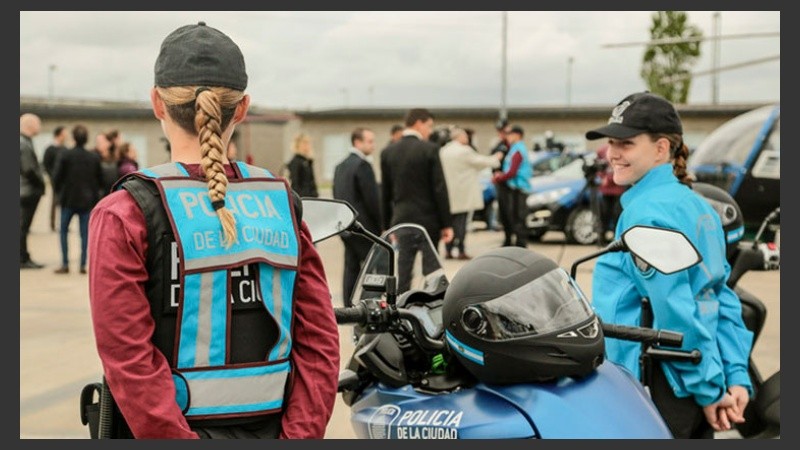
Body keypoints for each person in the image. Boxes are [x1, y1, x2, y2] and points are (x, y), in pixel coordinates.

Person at [87, 21, 339, 439]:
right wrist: (299, 435)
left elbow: (127, 359)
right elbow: (320, 340)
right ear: (241, 109)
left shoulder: (124, 211)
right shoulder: (281, 202)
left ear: (157, 103)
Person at [586, 91, 754, 439]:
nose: (612, 153)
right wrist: (735, 376)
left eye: (626, 143)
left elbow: (673, 312)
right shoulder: (700, 208)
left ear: (661, 148)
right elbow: (720, 298)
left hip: (655, 385)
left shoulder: (646, 214)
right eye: (611, 142)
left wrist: (708, 391)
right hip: (691, 379)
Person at [380, 108, 453, 293]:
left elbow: (385, 193)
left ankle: (401, 311)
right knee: (432, 273)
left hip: (402, 220)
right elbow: (439, 189)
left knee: (403, 271)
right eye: (429, 126)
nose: (430, 130)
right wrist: (447, 224)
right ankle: (432, 312)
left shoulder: (388, 152)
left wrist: (387, 225)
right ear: (419, 123)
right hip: (429, 222)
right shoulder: (430, 149)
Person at [332, 127, 381, 306]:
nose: (373, 146)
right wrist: (381, 224)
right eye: (370, 141)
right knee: (375, 268)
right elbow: (372, 200)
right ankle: (369, 304)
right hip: (364, 227)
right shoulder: (362, 165)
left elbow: (336, 195)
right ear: (357, 142)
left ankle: (348, 305)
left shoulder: (339, 166)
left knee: (351, 267)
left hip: (345, 225)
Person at [439, 126, 500, 260]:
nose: (467, 139)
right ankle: (460, 249)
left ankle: (448, 250)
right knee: (461, 223)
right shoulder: (464, 151)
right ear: (459, 137)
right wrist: (496, 157)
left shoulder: (443, 151)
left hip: (447, 194)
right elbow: (481, 162)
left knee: (448, 223)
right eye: (465, 136)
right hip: (463, 194)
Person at [52, 124, 104, 274]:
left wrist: (60, 192)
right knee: (85, 234)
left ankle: (65, 263)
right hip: (87, 202)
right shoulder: (93, 157)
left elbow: (56, 178)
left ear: (74, 138)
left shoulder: (65, 155)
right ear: (86, 139)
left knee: (63, 232)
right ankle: (82, 264)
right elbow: (100, 180)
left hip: (67, 200)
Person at [491, 124, 532, 248]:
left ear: (517, 135)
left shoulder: (518, 149)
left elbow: (512, 171)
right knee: (514, 218)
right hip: (515, 188)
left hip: (519, 188)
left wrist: (499, 177)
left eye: (510, 134)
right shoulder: (514, 148)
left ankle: (521, 245)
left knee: (518, 219)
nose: (507, 137)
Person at [20, 113, 45, 269]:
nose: (40, 127)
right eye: (38, 123)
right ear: (30, 125)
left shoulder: (24, 142)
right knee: (22, 227)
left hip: (25, 190)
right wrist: (41, 182)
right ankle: (22, 258)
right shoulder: (23, 144)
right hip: (27, 191)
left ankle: (23, 256)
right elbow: (29, 169)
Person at [595, 143, 625, 245]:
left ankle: (617, 238)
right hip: (605, 190)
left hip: (618, 189)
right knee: (604, 214)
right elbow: (598, 168)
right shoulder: (602, 150)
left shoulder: (622, 149)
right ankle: (601, 238)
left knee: (617, 214)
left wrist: (609, 178)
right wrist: (602, 177)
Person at [43, 125, 69, 231]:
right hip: (55, 180)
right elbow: (46, 164)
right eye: (64, 134)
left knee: (65, 202)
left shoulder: (65, 149)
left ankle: (64, 224)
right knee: (54, 202)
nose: (66, 136)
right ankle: (52, 224)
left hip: (65, 181)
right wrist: (52, 176)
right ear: (59, 135)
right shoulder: (50, 149)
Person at [488, 119, 511, 235]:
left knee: (510, 212)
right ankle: (507, 237)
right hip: (500, 182)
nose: (502, 134)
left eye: (504, 131)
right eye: (500, 132)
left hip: (510, 183)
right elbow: (492, 159)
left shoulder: (512, 145)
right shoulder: (498, 144)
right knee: (503, 211)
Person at [284, 132, 319, 198]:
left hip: (311, 198)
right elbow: (295, 184)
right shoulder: (295, 162)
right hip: (303, 198)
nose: (307, 146)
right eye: (304, 143)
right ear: (297, 145)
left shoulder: (308, 161)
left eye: (308, 143)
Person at [94, 133, 118, 198]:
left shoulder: (116, 158)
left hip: (112, 194)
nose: (98, 144)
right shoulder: (93, 157)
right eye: (97, 142)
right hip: (98, 196)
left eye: (101, 142)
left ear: (109, 143)